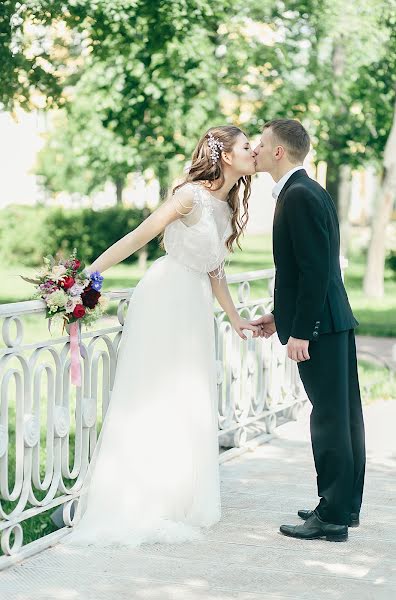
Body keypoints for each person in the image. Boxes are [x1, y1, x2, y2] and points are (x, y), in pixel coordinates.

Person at [59, 125, 257, 548]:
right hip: (165, 295)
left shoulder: (226, 207)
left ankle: (176, 493)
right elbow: (138, 236)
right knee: (151, 391)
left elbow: (216, 270)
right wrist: (86, 277)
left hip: (195, 305)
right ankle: (136, 493)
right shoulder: (190, 196)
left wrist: (236, 318)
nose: (253, 152)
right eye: (246, 147)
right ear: (225, 155)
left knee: (188, 395)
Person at [252, 119, 365, 542]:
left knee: (332, 420)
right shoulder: (308, 189)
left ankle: (332, 517)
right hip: (330, 321)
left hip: (322, 326)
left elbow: (316, 270)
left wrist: (302, 331)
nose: (257, 151)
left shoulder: (298, 195)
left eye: (261, 145)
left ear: (279, 151)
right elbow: (306, 270)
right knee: (343, 416)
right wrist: (282, 318)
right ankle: (341, 505)